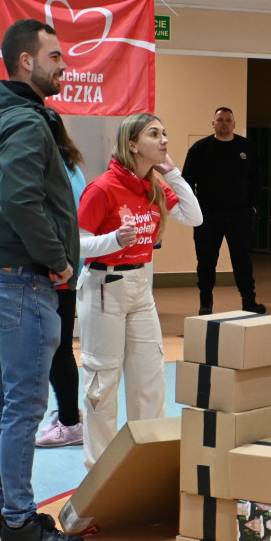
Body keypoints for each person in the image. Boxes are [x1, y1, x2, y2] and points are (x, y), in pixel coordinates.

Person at [0, 18, 85, 541]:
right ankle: (18, 520)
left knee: (4, 401)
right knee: (22, 406)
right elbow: (19, 200)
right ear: (27, 62)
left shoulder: (2, 117)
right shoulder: (27, 122)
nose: (64, 66)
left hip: (3, 277)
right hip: (23, 281)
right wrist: (58, 260)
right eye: (56, 57)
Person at [77, 113, 203, 469]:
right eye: (154, 134)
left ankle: (145, 467)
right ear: (132, 144)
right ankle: (98, 475)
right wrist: (112, 240)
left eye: (165, 133)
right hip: (104, 287)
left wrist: (173, 174)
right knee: (102, 385)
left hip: (140, 288)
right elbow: (75, 243)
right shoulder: (103, 188)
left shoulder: (153, 186)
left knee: (150, 381)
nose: (163, 140)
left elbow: (195, 217)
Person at [181, 106, 265, 315]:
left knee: (242, 259)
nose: (224, 123)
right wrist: (194, 208)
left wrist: (253, 206)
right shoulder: (200, 149)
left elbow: (257, 180)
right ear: (213, 123)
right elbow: (186, 182)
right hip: (208, 215)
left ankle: (249, 301)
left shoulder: (246, 148)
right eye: (220, 120)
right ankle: (206, 303)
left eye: (228, 120)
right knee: (206, 260)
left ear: (234, 124)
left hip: (240, 215)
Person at [35, 113, 87, 448]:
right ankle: (70, 415)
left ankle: (69, 421)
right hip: (67, 265)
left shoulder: (56, 171)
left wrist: (56, 262)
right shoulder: (72, 166)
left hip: (59, 269)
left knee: (58, 350)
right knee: (60, 347)